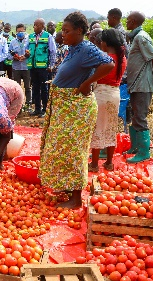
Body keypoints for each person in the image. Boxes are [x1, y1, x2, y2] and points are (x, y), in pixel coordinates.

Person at [39, 12, 114, 208]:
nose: (63, 34)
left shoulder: (87, 49)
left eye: (67, 31)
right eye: (62, 30)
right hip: (64, 106)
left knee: (74, 151)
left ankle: (76, 198)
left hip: (76, 108)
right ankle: (66, 185)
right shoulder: (73, 48)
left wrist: (87, 82)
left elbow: (109, 64)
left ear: (79, 31)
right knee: (60, 148)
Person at [124, 11, 153, 163]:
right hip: (136, 83)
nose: (126, 23)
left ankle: (144, 152)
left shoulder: (141, 37)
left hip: (142, 83)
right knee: (136, 115)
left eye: (128, 20)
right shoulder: (136, 37)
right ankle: (135, 147)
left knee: (140, 116)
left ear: (134, 21)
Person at [89, 28, 127, 172]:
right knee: (111, 127)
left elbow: (96, 76)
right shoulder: (122, 57)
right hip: (115, 95)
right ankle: (109, 162)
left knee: (98, 128)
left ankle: (94, 164)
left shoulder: (104, 58)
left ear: (104, 43)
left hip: (101, 95)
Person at [28, 18, 57, 117]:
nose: (34, 27)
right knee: (35, 88)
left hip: (44, 68)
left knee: (44, 88)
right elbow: (28, 50)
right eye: (34, 25)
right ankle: (37, 109)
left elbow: (53, 52)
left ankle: (45, 109)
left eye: (36, 25)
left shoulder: (48, 36)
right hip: (33, 67)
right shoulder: (31, 36)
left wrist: (51, 65)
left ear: (42, 26)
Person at [9, 24, 32, 107]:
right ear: (16, 32)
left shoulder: (29, 40)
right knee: (17, 87)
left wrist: (26, 56)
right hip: (16, 67)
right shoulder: (12, 42)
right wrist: (14, 57)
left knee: (27, 87)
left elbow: (31, 51)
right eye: (18, 32)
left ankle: (29, 103)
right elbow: (8, 54)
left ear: (25, 31)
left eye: (22, 31)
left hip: (26, 67)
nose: (20, 33)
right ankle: (18, 105)